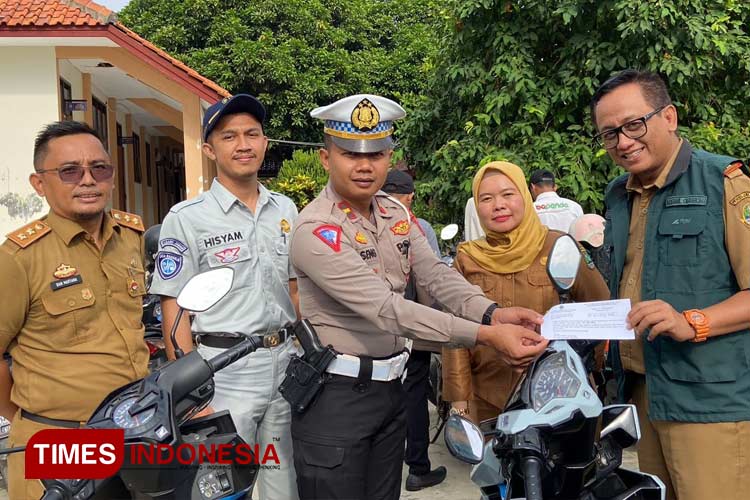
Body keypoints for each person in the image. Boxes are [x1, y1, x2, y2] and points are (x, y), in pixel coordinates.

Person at [289, 94, 549, 500]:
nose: (364, 165)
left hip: (390, 393)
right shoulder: (316, 229)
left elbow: (435, 276)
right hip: (335, 398)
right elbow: (387, 310)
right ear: (326, 158)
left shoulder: (394, 213)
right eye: (349, 153)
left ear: (389, 157)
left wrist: (492, 312)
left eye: (376, 153)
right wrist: (484, 336)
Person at [591, 69, 750, 500]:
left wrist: (692, 321)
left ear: (670, 117)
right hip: (644, 392)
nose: (623, 142)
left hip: (708, 399)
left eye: (633, 125)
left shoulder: (724, 182)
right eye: (609, 134)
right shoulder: (617, 195)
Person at [149, 94, 300, 500]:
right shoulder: (186, 218)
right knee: (219, 487)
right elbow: (174, 305)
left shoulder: (286, 210)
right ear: (209, 149)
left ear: (265, 143)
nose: (243, 144)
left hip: (286, 364)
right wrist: (191, 391)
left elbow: (294, 287)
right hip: (223, 372)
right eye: (229, 136)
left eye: (252, 134)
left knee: (282, 483)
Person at [0, 121, 149, 498]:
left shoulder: (130, 240)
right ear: (39, 184)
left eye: (99, 168)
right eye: (70, 171)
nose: (87, 180)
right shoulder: (19, 259)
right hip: (60, 440)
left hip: (133, 434)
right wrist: (24, 419)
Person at [443, 162, 609, 423]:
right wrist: (460, 402)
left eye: (508, 194)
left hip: (559, 398)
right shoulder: (467, 258)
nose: (498, 205)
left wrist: (588, 371)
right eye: (486, 198)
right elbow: (454, 332)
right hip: (488, 399)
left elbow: (599, 308)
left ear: (525, 195)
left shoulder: (559, 246)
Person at [381, 169, 445, 491]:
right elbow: (429, 280)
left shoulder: (366, 220)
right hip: (410, 330)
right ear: (410, 196)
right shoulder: (419, 227)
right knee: (415, 397)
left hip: (374, 335)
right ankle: (418, 468)